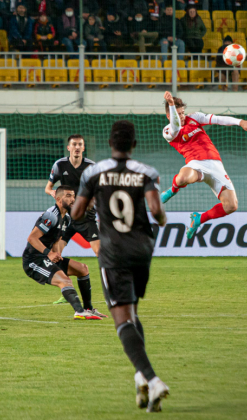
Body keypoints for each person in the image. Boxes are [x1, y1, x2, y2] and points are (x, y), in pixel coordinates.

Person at [71, 120, 169, 413]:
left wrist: (91, 202)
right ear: (133, 145)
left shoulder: (94, 172)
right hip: (142, 250)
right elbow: (156, 211)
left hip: (113, 253)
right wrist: (162, 219)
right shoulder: (146, 172)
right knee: (132, 311)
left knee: (122, 319)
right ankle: (141, 379)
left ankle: (153, 380)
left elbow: (77, 213)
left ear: (110, 144)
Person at [160, 92, 247, 239]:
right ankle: (172, 190)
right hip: (195, 164)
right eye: (178, 114)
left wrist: (240, 122)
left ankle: (198, 219)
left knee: (231, 205)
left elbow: (217, 119)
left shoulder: (194, 117)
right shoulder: (168, 131)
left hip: (216, 164)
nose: (182, 116)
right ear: (170, 116)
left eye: (183, 112)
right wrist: (171, 105)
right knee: (183, 178)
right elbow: (175, 126)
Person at [22, 185, 106, 321]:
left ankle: (88, 309)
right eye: (68, 196)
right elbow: (32, 238)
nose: (72, 199)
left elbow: (57, 240)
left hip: (47, 257)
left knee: (82, 269)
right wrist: (49, 253)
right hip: (34, 261)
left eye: (73, 196)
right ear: (58, 199)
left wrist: (56, 253)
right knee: (65, 281)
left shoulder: (66, 218)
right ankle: (79, 312)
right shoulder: (51, 215)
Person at [45, 135, 103, 306]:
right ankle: (66, 289)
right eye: (74, 144)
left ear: (83, 148)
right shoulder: (59, 165)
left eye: (80, 145)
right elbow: (48, 188)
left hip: (86, 218)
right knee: (55, 254)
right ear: (68, 148)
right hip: (66, 218)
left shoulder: (91, 167)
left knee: (100, 253)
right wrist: (54, 193)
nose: (77, 147)